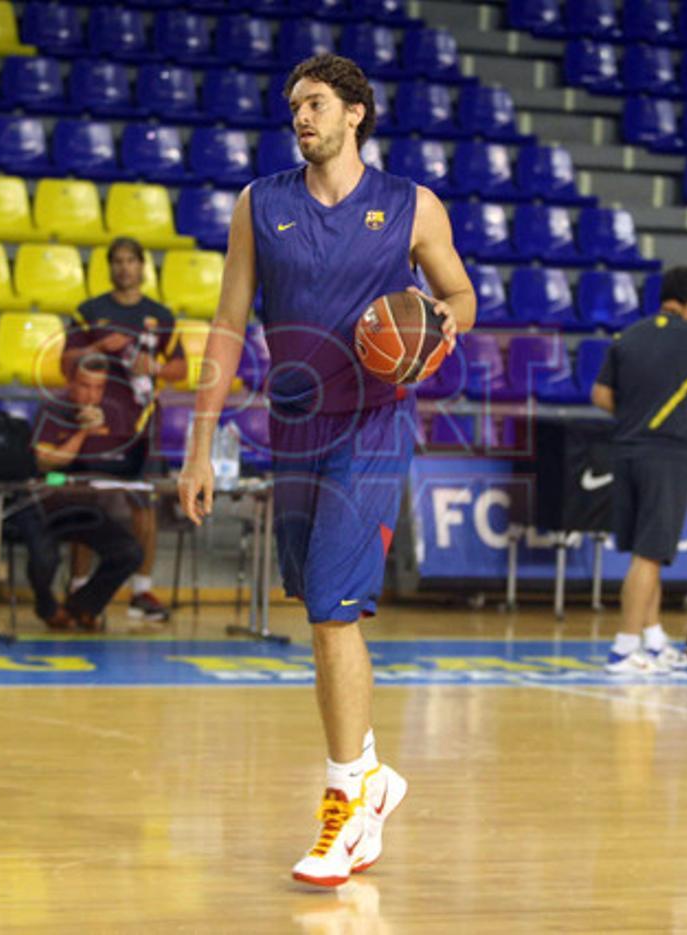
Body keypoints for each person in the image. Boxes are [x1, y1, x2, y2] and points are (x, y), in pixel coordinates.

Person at [178, 54, 475, 886]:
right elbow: (228, 325)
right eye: (293, 107)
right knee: (316, 606)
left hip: (375, 424)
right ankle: (372, 772)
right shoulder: (257, 204)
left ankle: (344, 801)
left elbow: (461, 296)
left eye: (314, 104)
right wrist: (200, 445)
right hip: (294, 429)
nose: (300, 117)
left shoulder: (412, 205)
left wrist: (435, 325)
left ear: (355, 114)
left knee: (336, 611)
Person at [591, 266, 687, 675]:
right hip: (667, 455)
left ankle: (653, 640)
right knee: (651, 555)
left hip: (626, 450)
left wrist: (637, 416)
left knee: (642, 551)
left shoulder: (629, 336)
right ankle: (624, 648)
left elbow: (600, 394)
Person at [63, 237, 186, 624]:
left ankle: (141, 591)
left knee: (143, 505)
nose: (124, 268)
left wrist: (155, 368)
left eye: (131, 260)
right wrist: (99, 346)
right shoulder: (90, 311)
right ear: (110, 267)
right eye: (117, 261)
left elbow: (181, 370)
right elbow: (65, 361)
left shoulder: (160, 315)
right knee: (86, 504)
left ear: (143, 266)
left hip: (140, 424)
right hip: (95, 422)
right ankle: (79, 590)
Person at [8, 355, 145, 632]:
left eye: (98, 388)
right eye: (84, 386)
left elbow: (124, 459)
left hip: (84, 507)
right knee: (46, 558)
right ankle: (47, 607)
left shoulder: (111, 414)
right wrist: (83, 432)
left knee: (129, 551)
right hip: (41, 505)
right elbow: (46, 460)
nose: (91, 395)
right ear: (71, 382)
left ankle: (82, 606)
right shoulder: (52, 410)